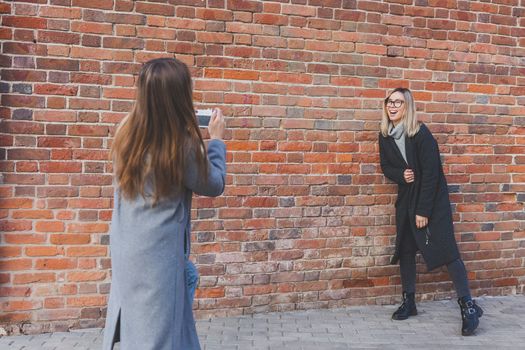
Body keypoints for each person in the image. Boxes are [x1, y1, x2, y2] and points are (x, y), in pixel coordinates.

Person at [102, 57, 227, 350]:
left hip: (128, 248)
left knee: (147, 323)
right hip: (158, 256)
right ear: (179, 97)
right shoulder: (181, 145)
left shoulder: (126, 131)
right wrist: (217, 141)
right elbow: (214, 184)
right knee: (158, 337)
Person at [378, 88, 483, 336]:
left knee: (447, 250)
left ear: (408, 107)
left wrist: (424, 210)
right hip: (406, 199)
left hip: (431, 200)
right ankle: (409, 302)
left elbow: (433, 174)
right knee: (405, 250)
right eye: (389, 102)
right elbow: (385, 166)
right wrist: (400, 175)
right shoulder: (384, 135)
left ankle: (468, 306)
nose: (392, 106)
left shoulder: (421, 134)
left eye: (398, 102)